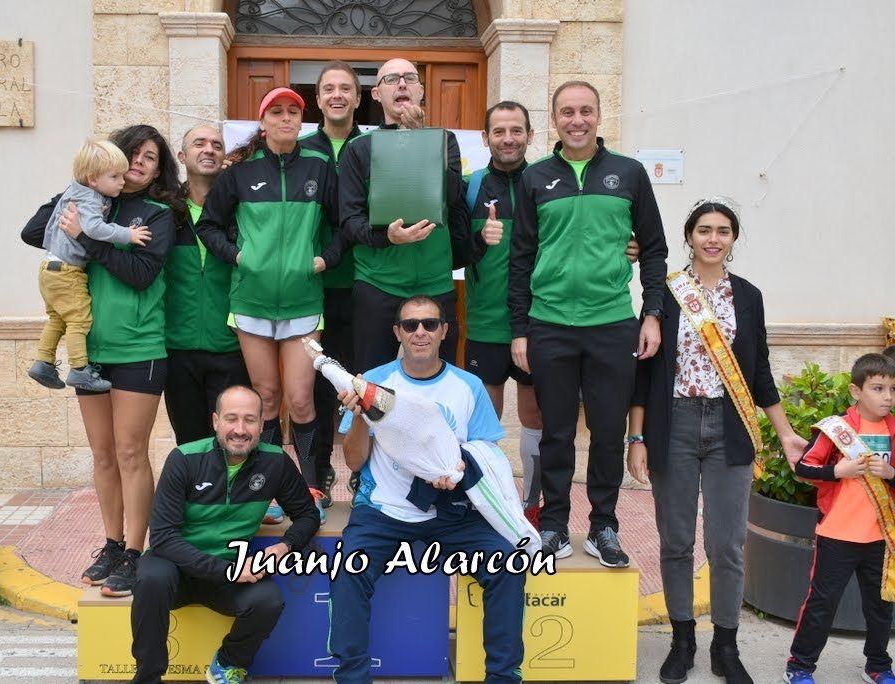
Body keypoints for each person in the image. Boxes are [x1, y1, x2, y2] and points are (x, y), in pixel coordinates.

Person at [626, 198, 806, 684]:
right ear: (689, 236)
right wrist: (636, 437)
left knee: (727, 545)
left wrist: (785, 432)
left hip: (730, 426)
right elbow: (644, 372)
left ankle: (726, 645)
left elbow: (759, 371)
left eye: (722, 231)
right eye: (704, 230)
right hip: (675, 424)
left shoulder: (747, 296)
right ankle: (682, 641)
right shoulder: (666, 294)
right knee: (677, 541)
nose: (713, 239)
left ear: (733, 239)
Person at [509, 80, 669, 568]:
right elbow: (521, 259)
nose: (576, 120)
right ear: (554, 119)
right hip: (549, 324)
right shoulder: (535, 178)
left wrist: (652, 314)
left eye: (585, 111)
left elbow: (654, 250)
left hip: (612, 323)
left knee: (606, 430)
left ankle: (603, 526)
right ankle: (554, 525)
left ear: (599, 116)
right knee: (556, 432)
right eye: (567, 112)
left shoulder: (629, 173)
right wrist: (520, 330)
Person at [329, 295, 525, 683]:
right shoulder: (373, 382)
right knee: (349, 569)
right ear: (397, 332)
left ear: (444, 331)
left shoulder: (468, 385)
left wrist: (458, 469)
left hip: (453, 511)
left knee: (507, 564)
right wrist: (360, 418)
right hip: (384, 510)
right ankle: (352, 677)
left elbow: (489, 453)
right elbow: (353, 462)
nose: (420, 332)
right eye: (410, 325)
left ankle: (503, 677)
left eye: (430, 324)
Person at [21, 124, 181, 596]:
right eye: (133, 153)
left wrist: (88, 239)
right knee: (103, 454)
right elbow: (32, 232)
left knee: (131, 452)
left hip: (138, 347)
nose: (139, 162)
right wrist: (75, 191)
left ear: (159, 169)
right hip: (89, 351)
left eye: (150, 157)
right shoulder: (95, 202)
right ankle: (111, 544)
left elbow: (139, 274)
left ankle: (134, 551)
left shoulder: (158, 215)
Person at [196, 87, 344, 523]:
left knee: (300, 400)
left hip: (304, 302)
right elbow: (209, 225)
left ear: (301, 121)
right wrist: (240, 257)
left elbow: (345, 225)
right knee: (267, 398)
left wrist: (325, 259)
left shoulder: (320, 168)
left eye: (292, 112)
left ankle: (312, 488)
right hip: (251, 303)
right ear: (263, 123)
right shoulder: (241, 173)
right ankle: (268, 490)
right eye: (276, 112)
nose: (285, 118)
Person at [129, 385, 319, 684]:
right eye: (231, 418)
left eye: (250, 420)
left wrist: (284, 546)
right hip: (176, 568)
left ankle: (228, 664)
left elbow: (308, 515)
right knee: (151, 578)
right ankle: (147, 676)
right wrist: (227, 570)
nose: (240, 429)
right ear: (216, 421)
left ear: (262, 424)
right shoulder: (184, 458)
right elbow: (163, 537)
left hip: (228, 572)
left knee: (268, 600)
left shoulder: (275, 462)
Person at [339, 58, 471, 373]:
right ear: (376, 94)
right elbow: (350, 221)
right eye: (391, 79)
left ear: (421, 91)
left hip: (435, 283)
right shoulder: (358, 148)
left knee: (440, 381)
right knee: (373, 384)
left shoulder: (445, 141)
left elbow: (454, 197)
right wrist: (387, 237)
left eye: (410, 78)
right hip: (377, 284)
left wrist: (421, 139)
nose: (401, 84)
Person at [782, 354, 895, 684]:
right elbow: (804, 467)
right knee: (822, 604)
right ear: (856, 391)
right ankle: (800, 666)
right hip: (837, 534)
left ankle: (877, 666)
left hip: (881, 537)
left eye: (892, 389)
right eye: (878, 388)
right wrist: (837, 471)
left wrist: (891, 473)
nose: (888, 396)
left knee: (881, 606)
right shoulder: (836, 429)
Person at [28, 138, 151, 392]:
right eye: (115, 177)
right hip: (67, 271)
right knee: (79, 320)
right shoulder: (91, 200)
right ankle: (79, 370)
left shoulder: (73, 191)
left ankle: (43, 362)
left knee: (57, 319)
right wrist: (127, 234)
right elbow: (94, 228)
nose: (122, 181)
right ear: (93, 179)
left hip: (49, 267)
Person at [299, 61, 364, 507]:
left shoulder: (373, 146)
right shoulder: (300, 149)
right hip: (312, 286)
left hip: (366, 281)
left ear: (358, 98)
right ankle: (319, 474)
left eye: (345, 88)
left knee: (362, 382)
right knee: (317, 385)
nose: (337, 95)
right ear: (318, 99)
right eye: (328, 89)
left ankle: (365, 475)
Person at [163, 124, 249, 445]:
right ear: (182, 156)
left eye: (216, 144)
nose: (209, 149)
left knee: (232, 441)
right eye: (199, 143)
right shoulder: (166, 210)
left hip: (231, 346)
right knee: (189, 442)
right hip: (177, 347)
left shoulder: (240, 208)